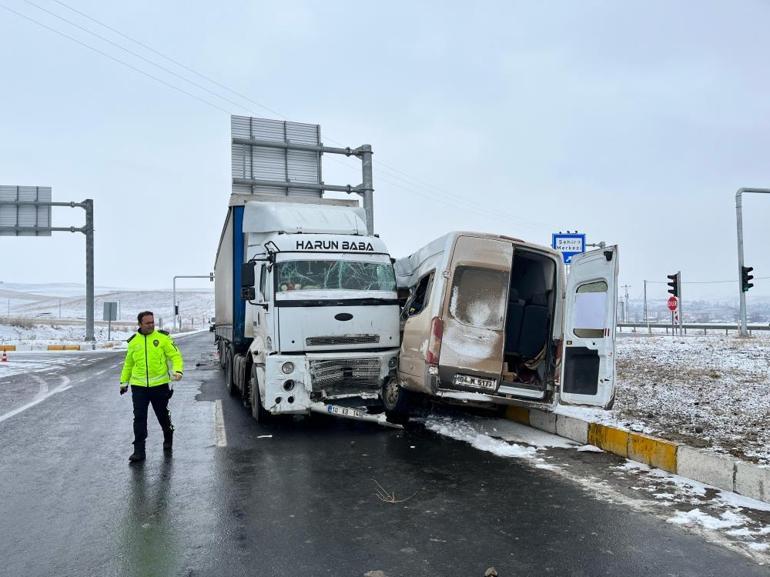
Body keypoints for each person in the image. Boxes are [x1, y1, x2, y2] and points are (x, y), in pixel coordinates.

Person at [120, 311, 183, 463]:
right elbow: (129, 364)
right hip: (139, 387)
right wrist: (124, 382)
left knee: (162, 415)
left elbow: (175, 356)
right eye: (147, 323)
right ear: (140, 324)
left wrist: (178, 370)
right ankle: (139, 451)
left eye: (152, 322)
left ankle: (168, 435)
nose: (151, 325)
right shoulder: (134, 341)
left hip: (159, 386)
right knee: (139, 418)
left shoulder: (162, 338)